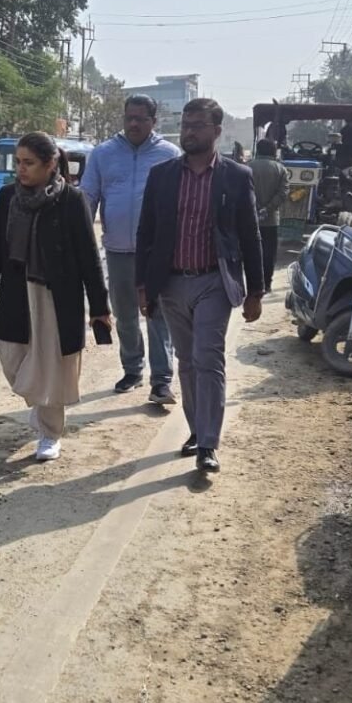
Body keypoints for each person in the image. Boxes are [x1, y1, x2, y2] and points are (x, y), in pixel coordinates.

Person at [0, 132, 111, 462]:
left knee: (51, 367)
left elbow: (89, 257)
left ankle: (49, 433)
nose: (21, 169)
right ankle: (40, 405)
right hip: (17, 293)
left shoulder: (72, 201)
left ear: (50, 164)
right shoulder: (8, 197)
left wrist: (99, 307)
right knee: (12, 360)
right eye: (18, 162)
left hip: (57, 297)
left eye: (28, 163)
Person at [135, 97, 264, 476]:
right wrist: (142, 284)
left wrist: (256, 291)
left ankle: (208, 443)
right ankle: (197, 428)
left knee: (208, 358)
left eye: (197, 126)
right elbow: (146, 233)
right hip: (172, 283)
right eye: (185, 125)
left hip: (214, 280)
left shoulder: (235, 176)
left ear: (216, 131)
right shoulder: (162, 176)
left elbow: (250, 235)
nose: (189, 132)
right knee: (187, 361)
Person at [81, 95, 178, 402]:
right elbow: (88, 198)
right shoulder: (103, 154)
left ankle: (161, 380)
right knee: (124, 315)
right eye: (129, 118)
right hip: (118, 250)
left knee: (158, 314)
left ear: (154, 121)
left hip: (157, 254)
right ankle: (133, 369)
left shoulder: (169, 155)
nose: (134, 124)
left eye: (141, 119)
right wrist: (80, 239)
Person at [249, 138, 291, 293]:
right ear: (274, 151)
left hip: (250, 218)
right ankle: (266, 284)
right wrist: (267, 209)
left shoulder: (248, 167)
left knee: (250, 251)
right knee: (269, 253)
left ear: (258, 150)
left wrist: (255, 207)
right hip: (271, 220)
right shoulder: (281, 169)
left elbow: (244, 191)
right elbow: (283, 193)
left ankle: (252, 285)